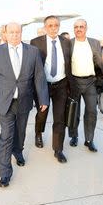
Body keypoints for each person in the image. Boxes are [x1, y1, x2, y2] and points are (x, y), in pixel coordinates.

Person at [0, 22, 49, 188]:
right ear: (5, 33)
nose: (15, 35)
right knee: (7, 135)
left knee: (20, 132)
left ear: (21, 33)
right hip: (4, 102)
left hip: (24, 100)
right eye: (11, 32)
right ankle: (4, 173)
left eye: (17, 32)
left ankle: (18, 151)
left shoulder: (33, 52)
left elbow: (39, 77)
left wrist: (43, 99)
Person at [30, 16, 71, 163]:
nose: (53, 28)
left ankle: (58, 149)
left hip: (61, 85)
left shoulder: (66, 42)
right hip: (43, 85)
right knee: (42, 113)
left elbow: (70, 64)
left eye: (56, 25)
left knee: (60, 118)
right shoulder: (36, 43)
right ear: (45, 27)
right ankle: (38, 133)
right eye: (50, 26)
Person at [68, 19, 103, 152]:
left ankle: (89, 140)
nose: (79, 29)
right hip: (74, 82)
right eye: (76, 27)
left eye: (81, 27)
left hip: (91, 82)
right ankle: (74, 136)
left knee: (91, 111)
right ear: (74, 29)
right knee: (74, 111)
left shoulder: (95, 43)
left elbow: (100, 64)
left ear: (86, 28)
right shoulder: (69, 43)